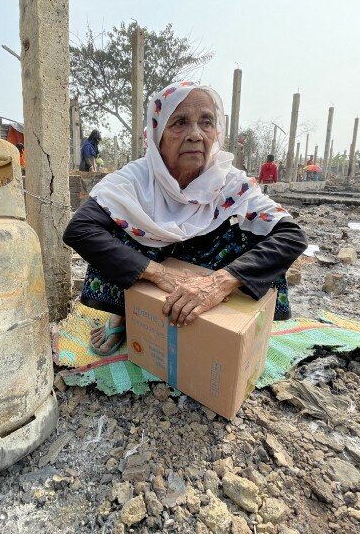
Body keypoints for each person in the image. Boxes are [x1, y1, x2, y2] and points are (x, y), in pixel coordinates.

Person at [63, 82, 308, 356]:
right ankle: (123, 310)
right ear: (158, 134)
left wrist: (219, 282)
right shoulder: (134, 178)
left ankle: (222, 320)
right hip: (152, 264)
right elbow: (79, 230)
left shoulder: (228, 181)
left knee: (260, 232)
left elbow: (291, 235)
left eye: (206, 122)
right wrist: (161, 274)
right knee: (111, 228)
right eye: (179, 122)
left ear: (216, 133)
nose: (195, 134)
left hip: (202, 267)